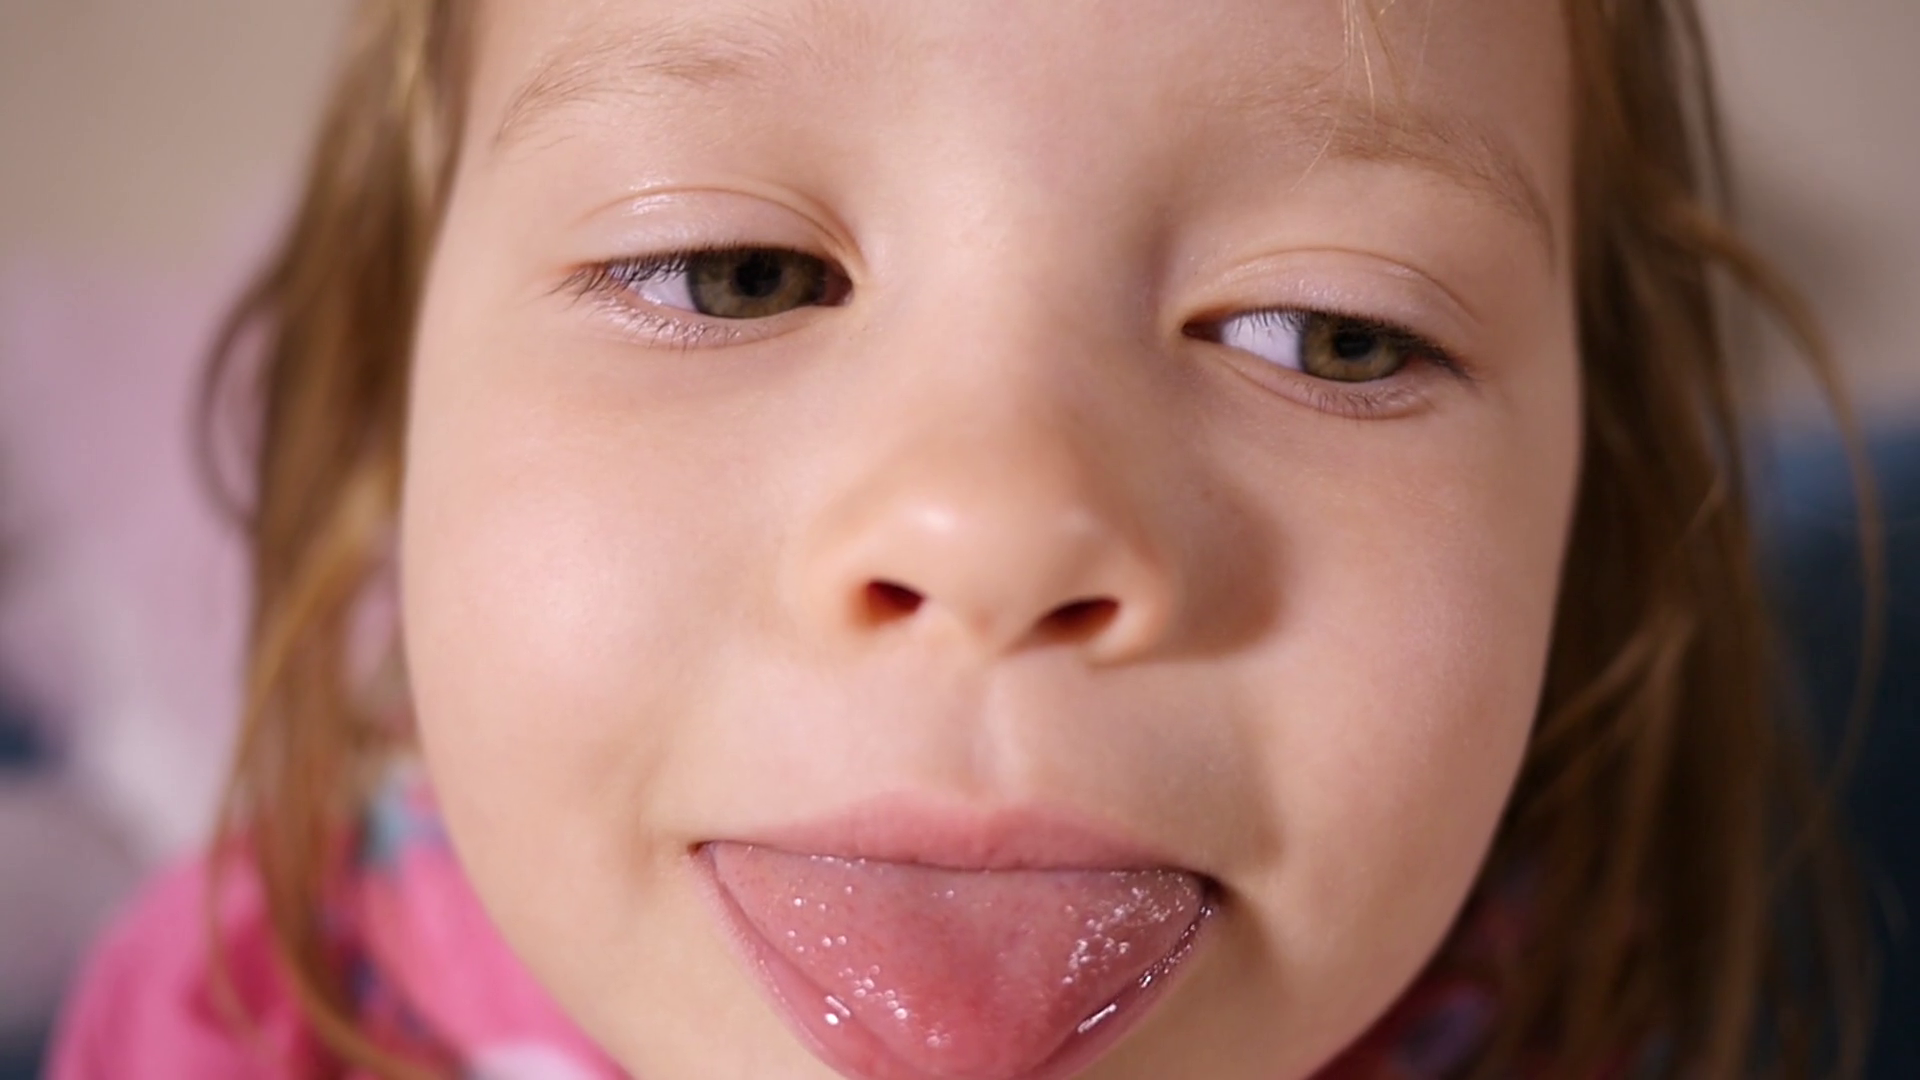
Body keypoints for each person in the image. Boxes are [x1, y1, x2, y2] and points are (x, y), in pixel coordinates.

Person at [43, 0, 1871, 1077]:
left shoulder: (1598, 1009)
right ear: (384, 429)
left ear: (1603, 523)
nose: (998, 534)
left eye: (1333, 332)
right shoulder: (231, 1017)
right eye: (730, 274)